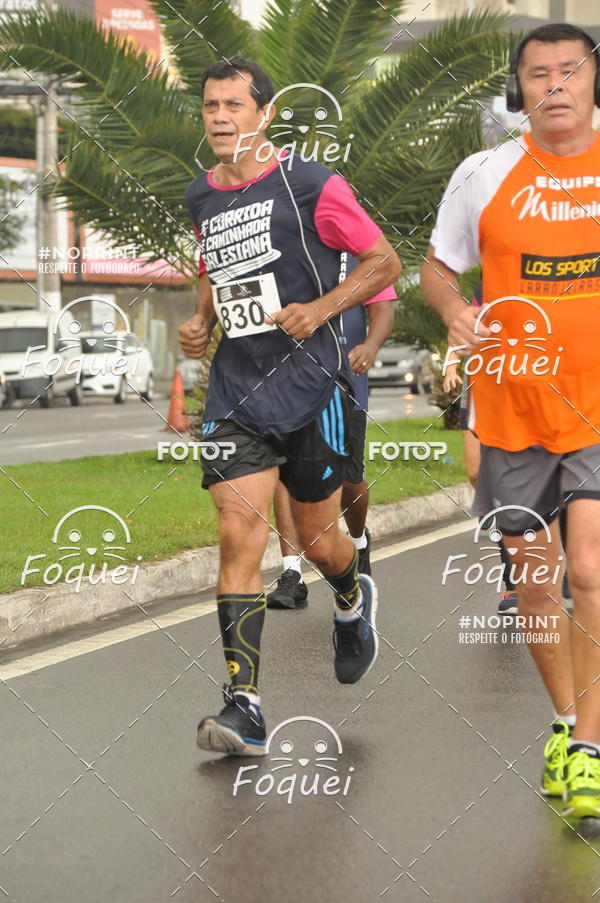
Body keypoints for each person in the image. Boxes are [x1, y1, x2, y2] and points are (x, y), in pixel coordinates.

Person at [179, 57, 402, 756]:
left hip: (311, 383)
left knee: (316, 541)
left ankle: (350, 596)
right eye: (211, 105)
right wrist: (200, 320)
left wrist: (324, 309)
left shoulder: (310, 183)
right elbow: (216, 268)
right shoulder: (200, 195)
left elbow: (384, 262)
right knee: (239, 531)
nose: (219, 117)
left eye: (233, 106)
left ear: (264, 114)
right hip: (236, 390)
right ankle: (244, 703)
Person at [421, 24, 600, 819]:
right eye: (538, 74)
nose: (556, 85)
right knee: (535, 575)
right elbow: (435, 265)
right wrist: (457, 308)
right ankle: (566, 724)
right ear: (517, 89)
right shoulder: (484, 173)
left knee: (590, 567)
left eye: (571, 71)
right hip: (510, 403)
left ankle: (592, 747)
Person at [267, 290, 395, 609]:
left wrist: (371, 345)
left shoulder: (360, 248)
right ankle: (291, 573)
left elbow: (382, 307)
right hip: (288, 381)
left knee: (351, 481)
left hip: (344, 381)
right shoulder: (287, 245)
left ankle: (358, 541)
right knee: (285, 475)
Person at [443, 285, 518, 615]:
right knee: (477, 474)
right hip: (481, 388)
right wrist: (450, 366)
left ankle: (513, 584)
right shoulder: (487, 285)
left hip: (525, 388)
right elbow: (462, 326)